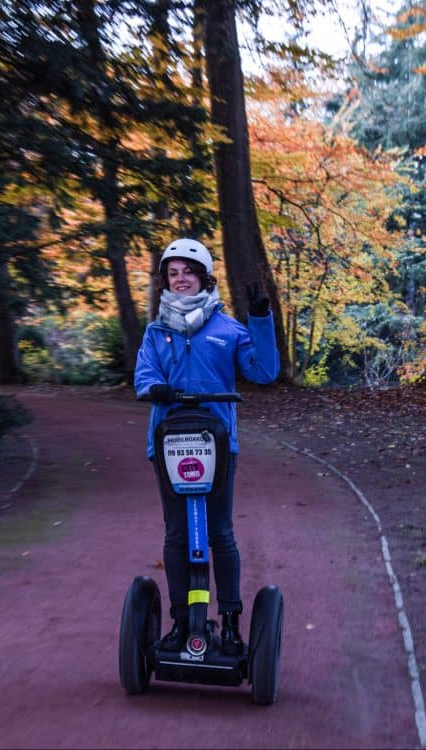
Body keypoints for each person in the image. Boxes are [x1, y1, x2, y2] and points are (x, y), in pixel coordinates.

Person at [134, 238, 279, 655]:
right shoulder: (156, 331)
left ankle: (231, 623)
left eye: (188, 271)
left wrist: (260, 318)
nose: (180, 279)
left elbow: (265, 372)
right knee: (177, 533)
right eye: (173, 273)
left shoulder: (228, 328)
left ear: (204, 276)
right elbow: (144, 373)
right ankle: (182, 623)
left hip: (216, 443)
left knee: (219, 532)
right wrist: (154, 387)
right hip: (169, 443)